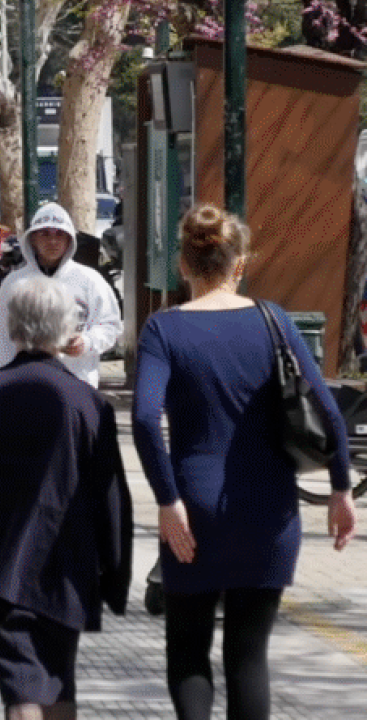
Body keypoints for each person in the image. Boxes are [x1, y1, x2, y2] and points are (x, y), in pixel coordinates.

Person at [131, 203, 356, 720]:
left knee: (188, 651)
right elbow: (328, 411)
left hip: (193, 510)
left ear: (183, 264)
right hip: (269, 510)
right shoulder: (273, 321)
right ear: (239, 263)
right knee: (248, 658)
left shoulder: (163, 330)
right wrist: (341, 489)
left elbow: (144, 419)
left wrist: (167, 499)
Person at [0, 276, 132, 720]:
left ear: (13, 326)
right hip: (69, 567)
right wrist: (116, 575)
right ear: (65, 329)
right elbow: (111, 498)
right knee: (57, 681)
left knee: (21, 684)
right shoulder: (89, 405)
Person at [0, 202, 122, 388]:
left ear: (70, 239)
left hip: (77, 382)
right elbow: (2, 338)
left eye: (60, 234)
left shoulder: (90, 281)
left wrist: (86, 342)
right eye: (45, 234)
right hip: (25, 384)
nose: (52, 241)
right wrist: (1, 380)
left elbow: (111, 326)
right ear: (32, 239)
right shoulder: (14, 284)